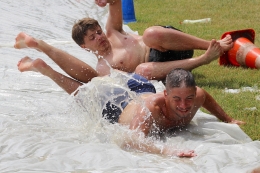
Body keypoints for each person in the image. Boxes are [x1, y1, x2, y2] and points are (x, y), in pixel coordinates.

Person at [17, 56, 245, 157]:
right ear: (166, 95)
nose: (184, 106)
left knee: (102, 80)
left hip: (140, 88)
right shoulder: (151, 109)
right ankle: (44, 69)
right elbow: (131, 140)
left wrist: (228, 120)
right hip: (116, 105)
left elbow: (208, 100)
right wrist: (167, 150)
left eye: (188, 98)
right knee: (83, 90)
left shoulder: (199, 96)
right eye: (176, 99)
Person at [14, 0, 233, 85]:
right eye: (92, 37)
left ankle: (213, 46)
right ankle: (204, 59)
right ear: (84, 46)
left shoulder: (113, 31)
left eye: (98, 31)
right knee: (142, 71)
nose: (100, 37)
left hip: (172, 43)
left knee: (150, 33)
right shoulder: (103, 67)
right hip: (168, 66)